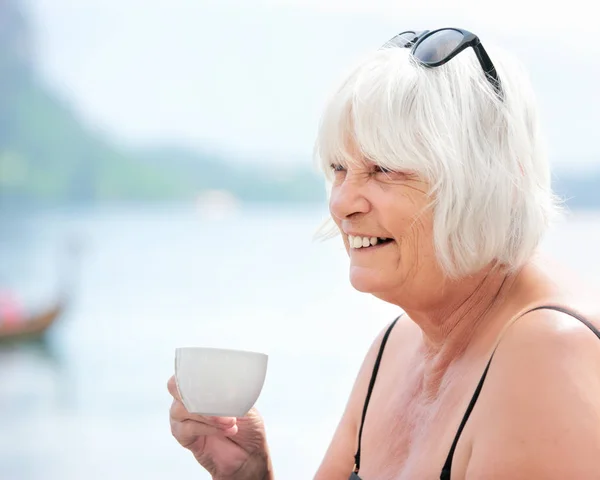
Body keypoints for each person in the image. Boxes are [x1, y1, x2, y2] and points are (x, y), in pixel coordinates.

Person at [167, 27, 600, 479]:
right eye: (340, 168)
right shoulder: (396, 346)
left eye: (384, 169)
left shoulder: (548, 357)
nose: (342, 202)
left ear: (486, 180)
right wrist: (247, 474)